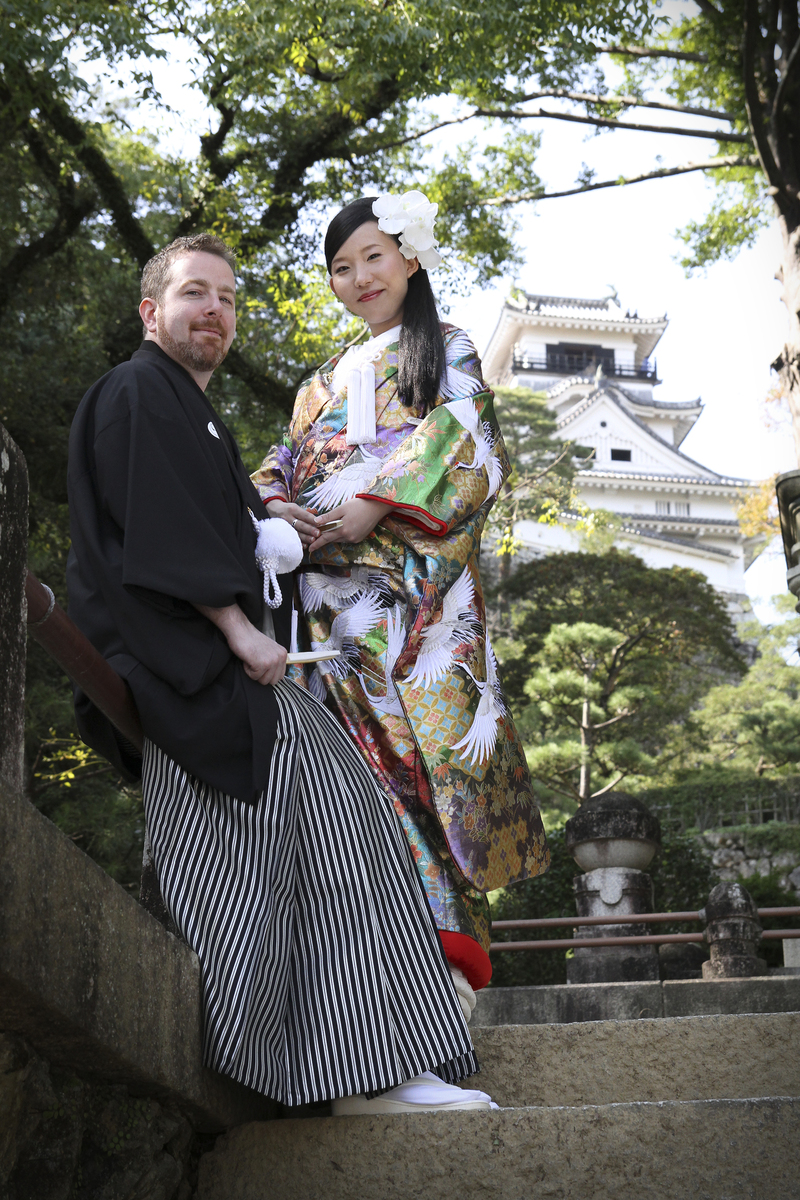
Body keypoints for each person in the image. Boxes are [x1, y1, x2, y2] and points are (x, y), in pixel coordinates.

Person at [67, 232, 494, 1116]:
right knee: (341, 829)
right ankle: (365, 1073)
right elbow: (162, 529)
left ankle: (361, 1068)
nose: (214, 311)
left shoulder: (195, 408)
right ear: (151, 311)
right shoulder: (138, 392)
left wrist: (291, 515)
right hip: (192, 669)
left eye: (227, 298)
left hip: (259, 654)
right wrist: (236, 623)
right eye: (194, 293)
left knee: (346, 832)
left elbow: (454, 449)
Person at [252, 193, 550, 1020]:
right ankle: (363, 960)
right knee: (348, 775)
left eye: (373, 257)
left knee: (429, 768)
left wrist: (376, 502)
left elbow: (466, 438)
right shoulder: (319, 381)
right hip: (322, 604)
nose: (359, 278)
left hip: (415, 604)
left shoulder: (448, 348)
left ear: (410, 258)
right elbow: (281, 461)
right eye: (341, 268)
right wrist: (272, 505)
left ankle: (447, 965)